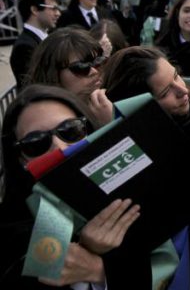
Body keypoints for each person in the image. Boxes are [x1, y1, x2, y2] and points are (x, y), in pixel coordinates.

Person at [0, 85, 141, 289]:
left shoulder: (133, 186)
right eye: (36, 142)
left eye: (71, 130)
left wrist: (100, 270)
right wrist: (85, 251)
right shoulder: (16, 226)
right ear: (22, 159)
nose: (59, 147)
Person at [100, 46, 190, 179]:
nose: (183, 90)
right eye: (166, 92)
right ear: (139, 107)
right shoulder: (153, 140)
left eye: (176, 75)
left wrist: (113, 134)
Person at [25, 27, 112, 126]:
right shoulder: (47, 123)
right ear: (53, 75)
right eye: (81, 67)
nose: (94, 71)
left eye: (98, 62)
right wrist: (109, 126)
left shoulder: (111, 98)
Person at [11, 0, 61, 86]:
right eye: (53, 8)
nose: (58, 13)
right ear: (34, 10)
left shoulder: (48, 36)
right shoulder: (24, 47)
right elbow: (34, 85)